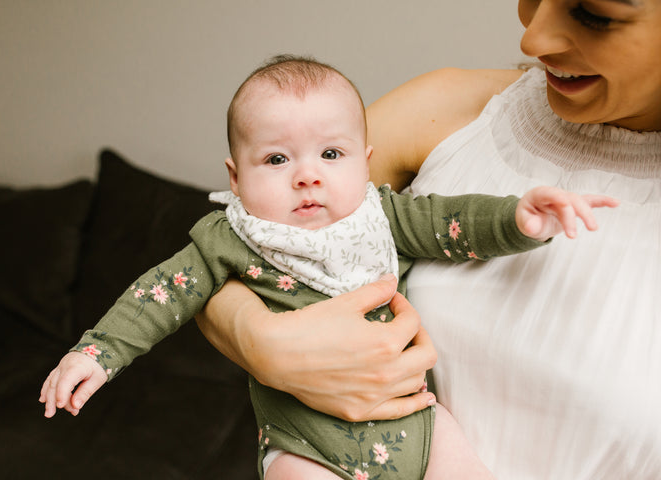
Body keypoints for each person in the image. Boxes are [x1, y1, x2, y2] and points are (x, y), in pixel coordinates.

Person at [39, 55, 616, 479]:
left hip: (419, 426)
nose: (307, 175)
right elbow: (162, 293)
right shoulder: (231, 238)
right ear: (235, 178)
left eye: (331, 154)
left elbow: (453, 223)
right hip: (305, 446)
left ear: (366, 163)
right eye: (276, 158)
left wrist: (520, 219)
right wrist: (96, 353)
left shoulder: (383, 217)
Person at [189, 2, 661, 479]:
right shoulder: (449, 109)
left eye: (594, 13)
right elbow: (228, 247)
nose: (533, 39)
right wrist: (258, 339)